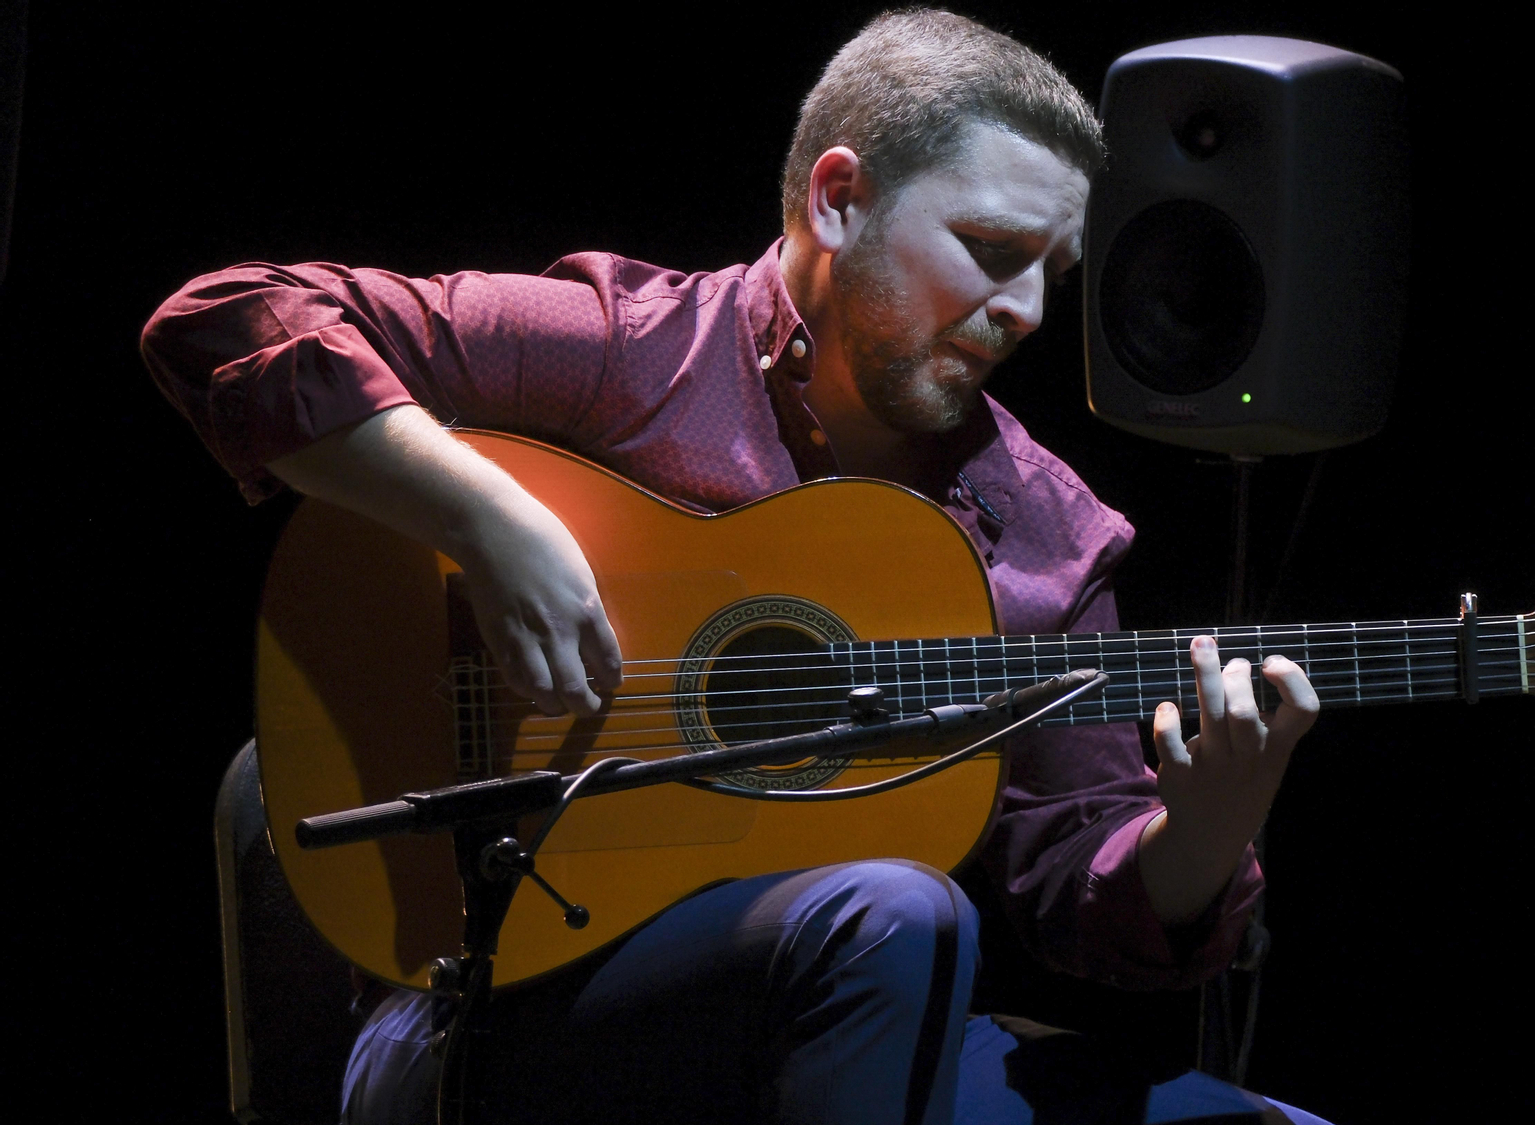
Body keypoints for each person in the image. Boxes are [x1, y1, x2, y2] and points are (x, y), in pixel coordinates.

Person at [143, 10, 1326, 1124]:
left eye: (1048, 276)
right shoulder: (632, 355)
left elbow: (1084, 895)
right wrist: (485, 521)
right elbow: (225, 318)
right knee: (897, 911)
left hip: (846, 1014)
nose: (1021, 309)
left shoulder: (1044, 531)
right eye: (988, 250)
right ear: (840, 199)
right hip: (473, 1008)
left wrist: (1205, 831)